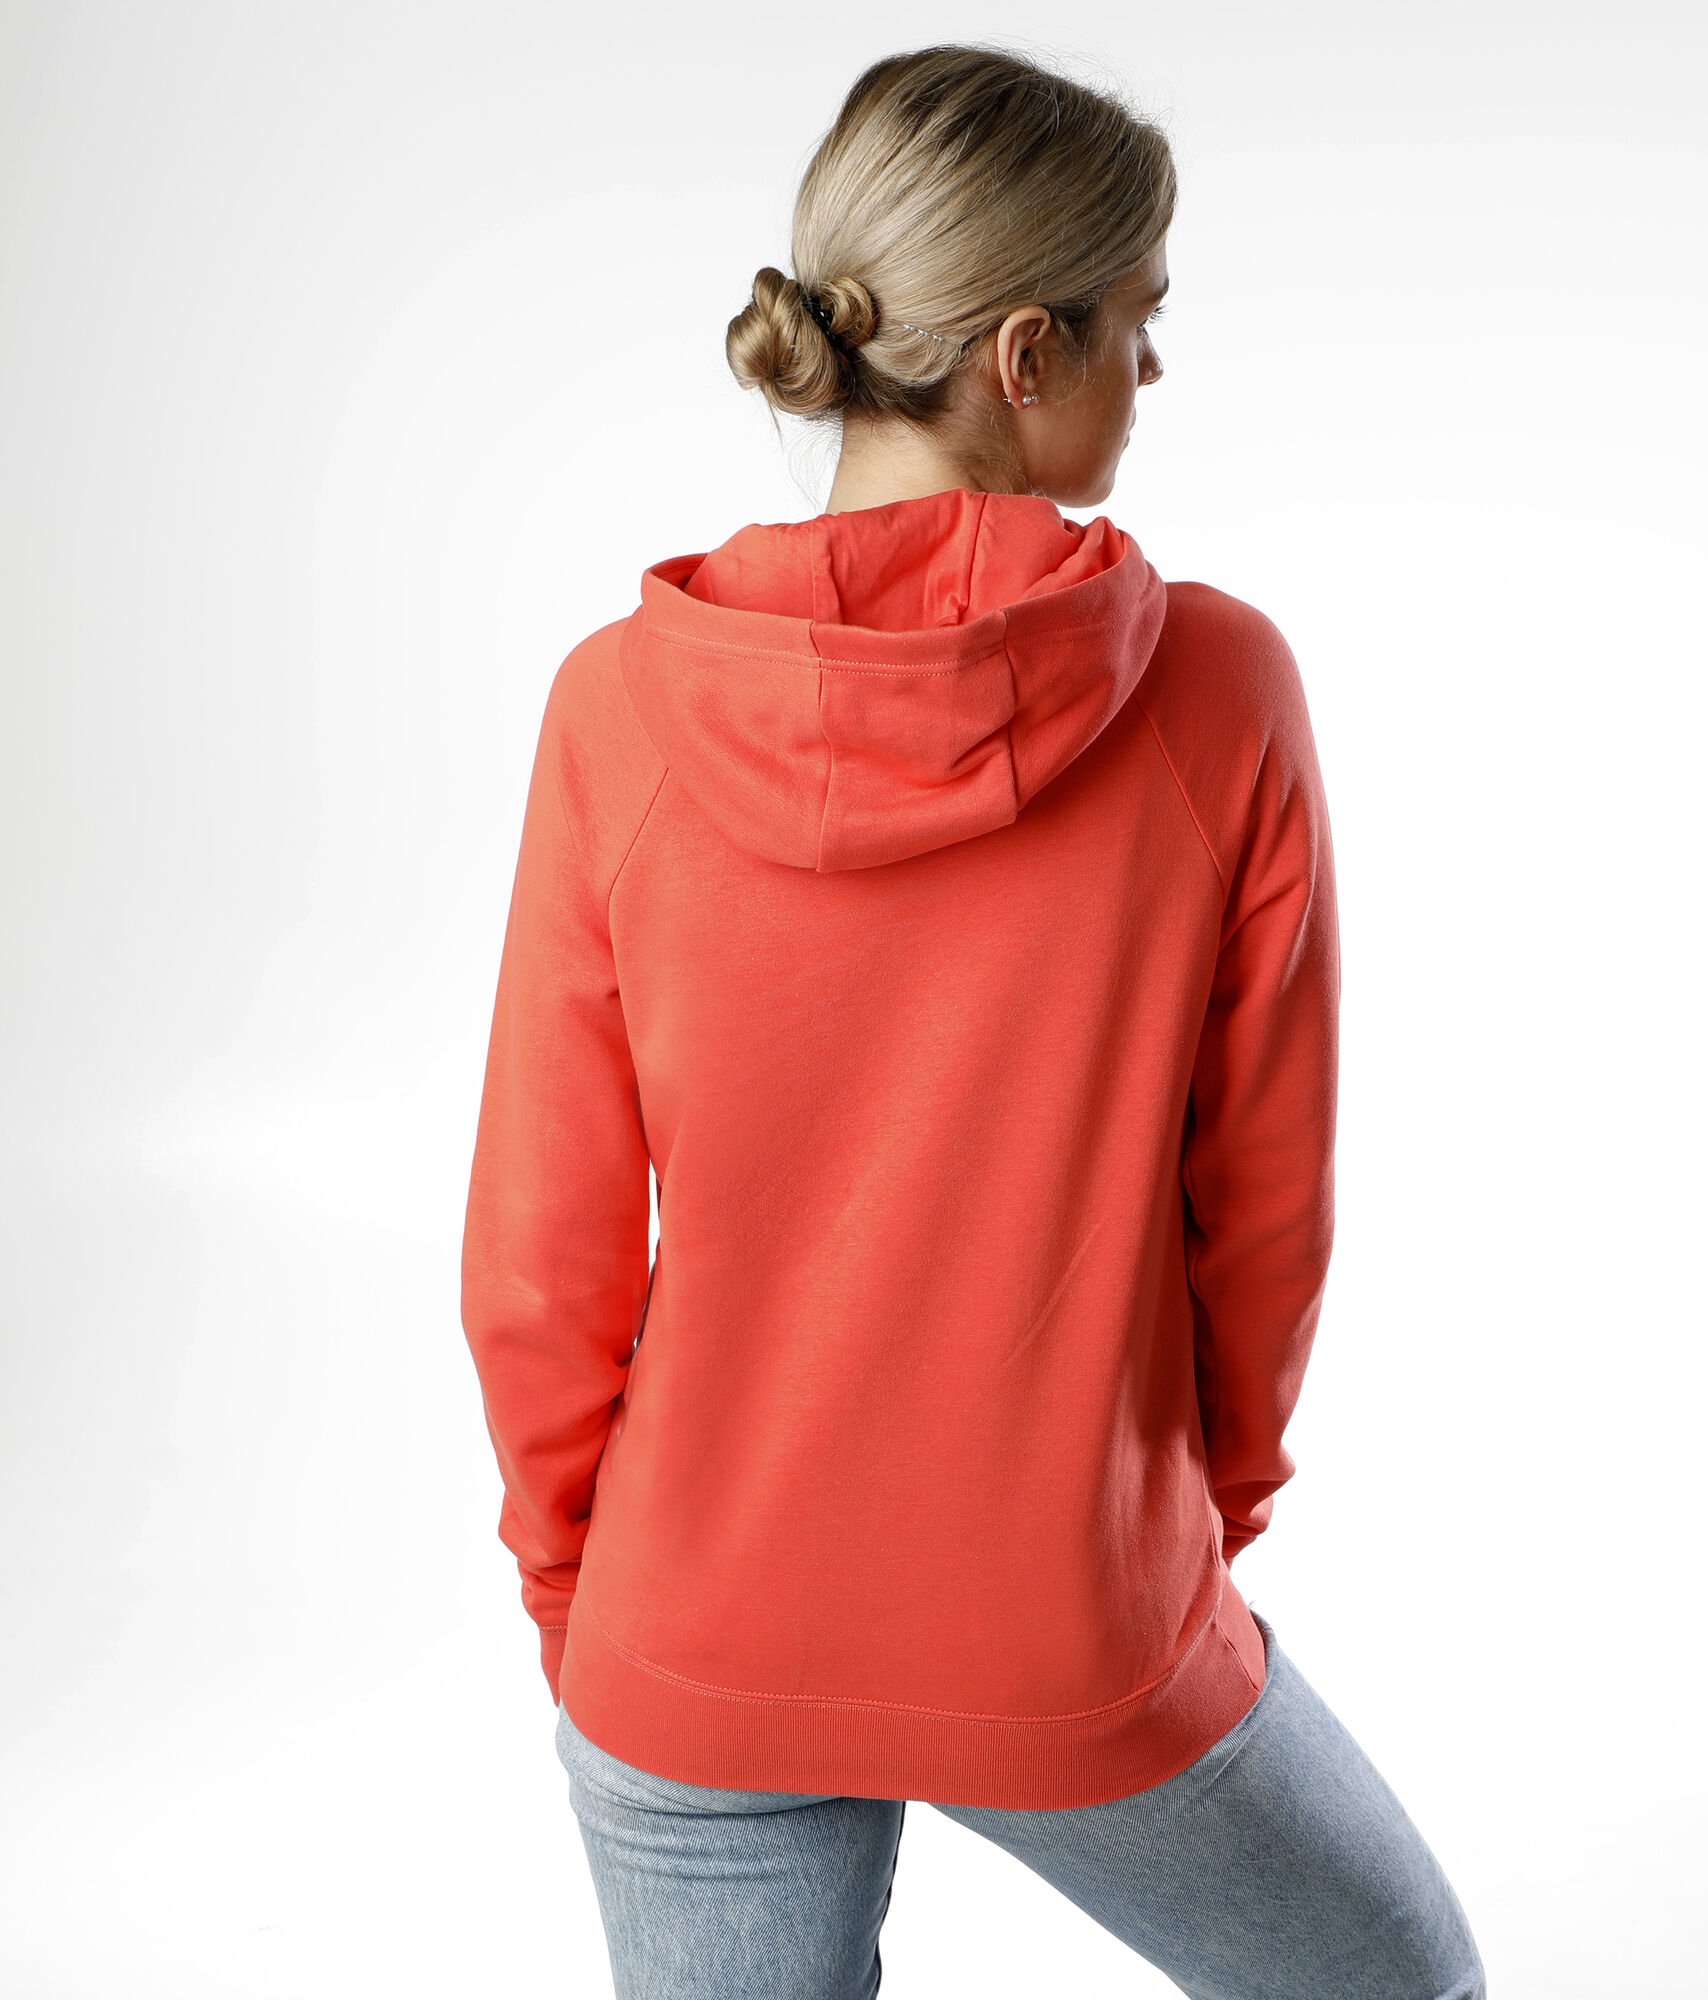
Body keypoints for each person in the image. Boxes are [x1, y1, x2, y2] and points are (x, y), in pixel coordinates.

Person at [460, 42, 1485, 2000]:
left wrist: (595, 1613)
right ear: (1024, 355)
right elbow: (1263, 1214)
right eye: (1136, 320)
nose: (1154, 369)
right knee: (1398, 1976)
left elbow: (537, 1252)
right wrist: (1180, 1523)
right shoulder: (1216, 693)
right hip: (1066, 1612)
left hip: (689, 1625)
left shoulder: (615, 710)